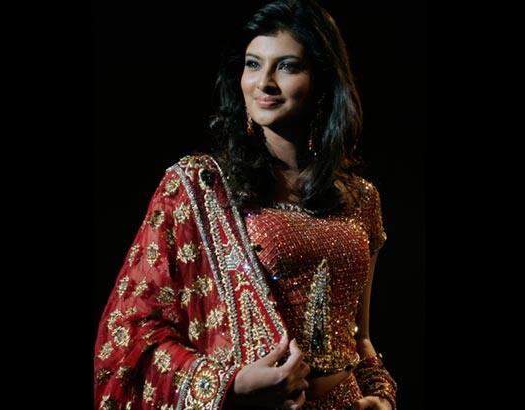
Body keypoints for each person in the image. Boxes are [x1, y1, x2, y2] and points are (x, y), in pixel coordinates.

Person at [94, 1, 397, 409]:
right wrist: (230, 386)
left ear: (324, 81)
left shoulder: (362, 199)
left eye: (287, 66)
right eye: (253, 65)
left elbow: (359, 336)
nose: (264, 83)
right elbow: (130, 331)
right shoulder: (199, 185)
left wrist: (381, 394)